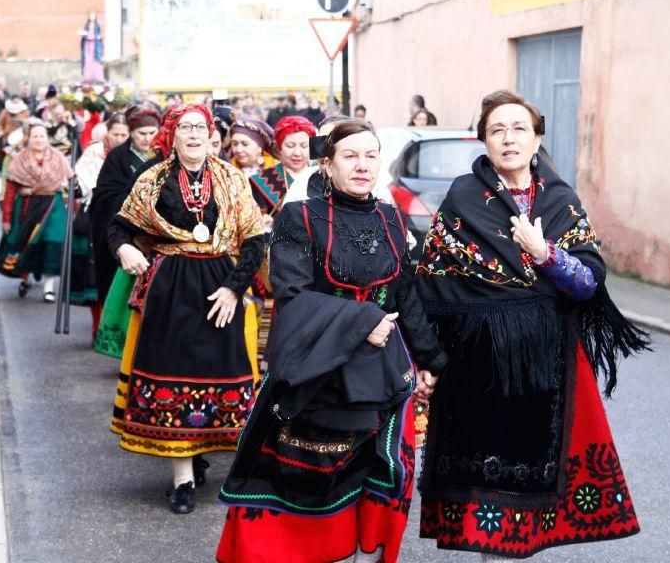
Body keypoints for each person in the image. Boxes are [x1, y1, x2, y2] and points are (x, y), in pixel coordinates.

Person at [416, 90, 649, 559]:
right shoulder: (463, 197)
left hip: (548, 364)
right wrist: (429, 360)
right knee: (487, 498)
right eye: (497, 130)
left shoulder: (560, 199)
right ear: (483, 141)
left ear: (537, 137)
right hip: (475, 368)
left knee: (538, 486)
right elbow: (432, 282)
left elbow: (587, 285)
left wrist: (544, 254)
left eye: (519, 128)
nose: (508, 139)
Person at [217, 120, 447, 562]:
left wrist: (430, 358)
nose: (362, 165)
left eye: (371, 155)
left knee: (381, 472)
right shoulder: (299, 216)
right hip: (320, 368)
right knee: (310, 481)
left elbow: (405, 292)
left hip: (381, 368)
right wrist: (363, 320)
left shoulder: (390, 217)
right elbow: (292, 293)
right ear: (327, 163)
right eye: (350, 156)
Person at [108, 104, 267, 514]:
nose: (194, 134)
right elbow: (119, 225)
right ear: (171, 135)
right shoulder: (153, 178)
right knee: (175, 377)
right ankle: (181, 479)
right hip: (170, 290)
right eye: (185, 128)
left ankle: (202, 454)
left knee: (220, 374)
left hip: (220, 288)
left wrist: (234, 290)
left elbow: (254, 240)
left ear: (212, 134)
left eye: (201, 127)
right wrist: (125, 247)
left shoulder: (231, 178)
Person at [89, 106, 163, 358]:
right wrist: (132, 202)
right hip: (124, 233)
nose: (146, 138)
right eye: (141, 132)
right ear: (131, 132)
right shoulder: (118, 158)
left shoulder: (165, 156)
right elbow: (104, 195)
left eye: (152, 131)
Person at [247, 115, 317, 371]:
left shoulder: (321, 178)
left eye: (304, 145)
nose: (298, 152)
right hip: (272, 264)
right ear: (279, 146)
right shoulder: (260, 181)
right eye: (290, 145)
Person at [0, 121, 73, 302]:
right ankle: (25, 278)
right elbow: (10, 192)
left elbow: (71, 181)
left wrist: (72, 197)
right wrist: (6, 218)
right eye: (35, 136)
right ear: (28, 138)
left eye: (42, 136)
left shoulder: (59, 158)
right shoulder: (19, 161)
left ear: (47, 138)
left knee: (51, 243)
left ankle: (48, 288)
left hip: (53, 206)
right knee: (27, 242)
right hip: (27, 207)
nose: (39, 139)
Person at [71, 122, 110, 337]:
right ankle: (97, 327)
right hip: (92, 217)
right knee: (93, 278)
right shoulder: (91, 155)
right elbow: (81, 187)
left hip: (115, 218)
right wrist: (75, 184)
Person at [79, 9, 104, 83]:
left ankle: (97, 78)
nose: (92, 17)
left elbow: (99, 35)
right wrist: (83, 35)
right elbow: (85, 34)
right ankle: (87, 78)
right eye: (90, 16)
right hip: (87, 45)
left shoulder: (97, 25)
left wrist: (98, 38)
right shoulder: (87, 25)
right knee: (87, 60)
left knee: (96, 61)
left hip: (95, 45)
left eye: (93, 16)